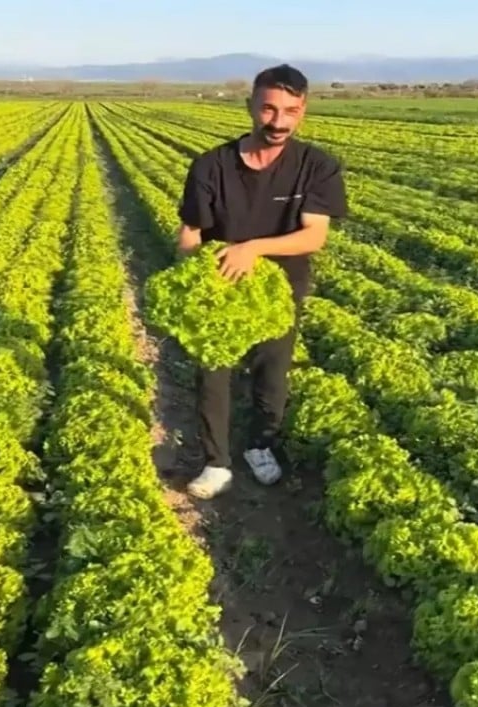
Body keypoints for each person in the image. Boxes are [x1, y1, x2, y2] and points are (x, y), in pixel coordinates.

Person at [175, 64, 347, 499]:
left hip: (280, 290)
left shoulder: (316, 167)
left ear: (303, 109)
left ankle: (260, 445)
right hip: (220, 285)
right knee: (213, 373)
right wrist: (196, 280)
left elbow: (314, 235)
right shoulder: (211, 167)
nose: (278, 122)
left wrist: (252, 248)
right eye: (269, 109)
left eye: (290, 110)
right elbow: (191, 233)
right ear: (251, 105)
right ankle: (216, 462)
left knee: (272, 372)